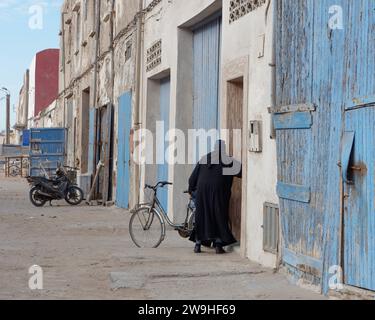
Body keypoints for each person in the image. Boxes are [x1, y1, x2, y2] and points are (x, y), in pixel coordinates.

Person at [188, 140, 242, 254]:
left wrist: (191, 189)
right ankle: (218, 245)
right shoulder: (228, 160)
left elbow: (192, 178)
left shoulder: (204, 158)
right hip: (219, 192)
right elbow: (242, 171)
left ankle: (197, 245)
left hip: (202, 192)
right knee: (219, 216)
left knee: (202, 216)